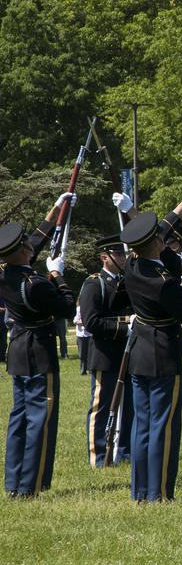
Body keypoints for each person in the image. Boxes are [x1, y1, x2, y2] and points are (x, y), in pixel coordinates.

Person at [119, 193, 182, 501]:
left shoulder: (132, 266)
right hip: (163, 354)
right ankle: (159, 492)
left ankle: (140, 490)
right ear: (157, 242)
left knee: (141, 425)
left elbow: (161, 234)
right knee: (163, 426)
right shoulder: (165, 282)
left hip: (139, 351)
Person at [1, 192, 78, 497]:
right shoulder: (36, 284)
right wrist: (58, 274)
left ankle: (14, 482)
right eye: (25, 245)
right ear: (20, 253)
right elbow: (68, 308)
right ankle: (32, 485)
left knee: (18, 418)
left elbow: (36, 240)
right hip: (38, 350)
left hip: (18, 348)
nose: (30, 245)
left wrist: (56, 208)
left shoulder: (6, 273)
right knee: (39, 420)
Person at [80, 233, 133, 468]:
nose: (123, 258)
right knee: (101, 408)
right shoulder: (94, 283)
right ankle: (98, 456)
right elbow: (91, 322)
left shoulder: (126, 281)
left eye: (123, 253)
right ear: (105, 257)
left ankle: (125, 451)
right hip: (105, 355)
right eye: (118, 254)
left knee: (129, 406)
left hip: (127, 354)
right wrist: (125, 325)